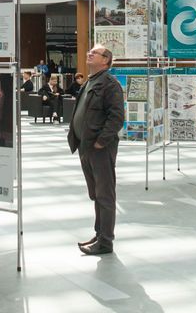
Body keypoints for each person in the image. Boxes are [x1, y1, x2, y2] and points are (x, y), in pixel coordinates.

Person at [67, 44, 124, 255]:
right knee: (96, 194)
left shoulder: (110, 84)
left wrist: (101, 141)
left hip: (99, 149)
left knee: (105, 195)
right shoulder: (90, 82)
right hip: (85, 147)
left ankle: (106, 241)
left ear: (106, 60)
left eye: (95, 53)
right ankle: (99, 234)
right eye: (89, 51)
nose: (89, 53)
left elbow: (116, 117)